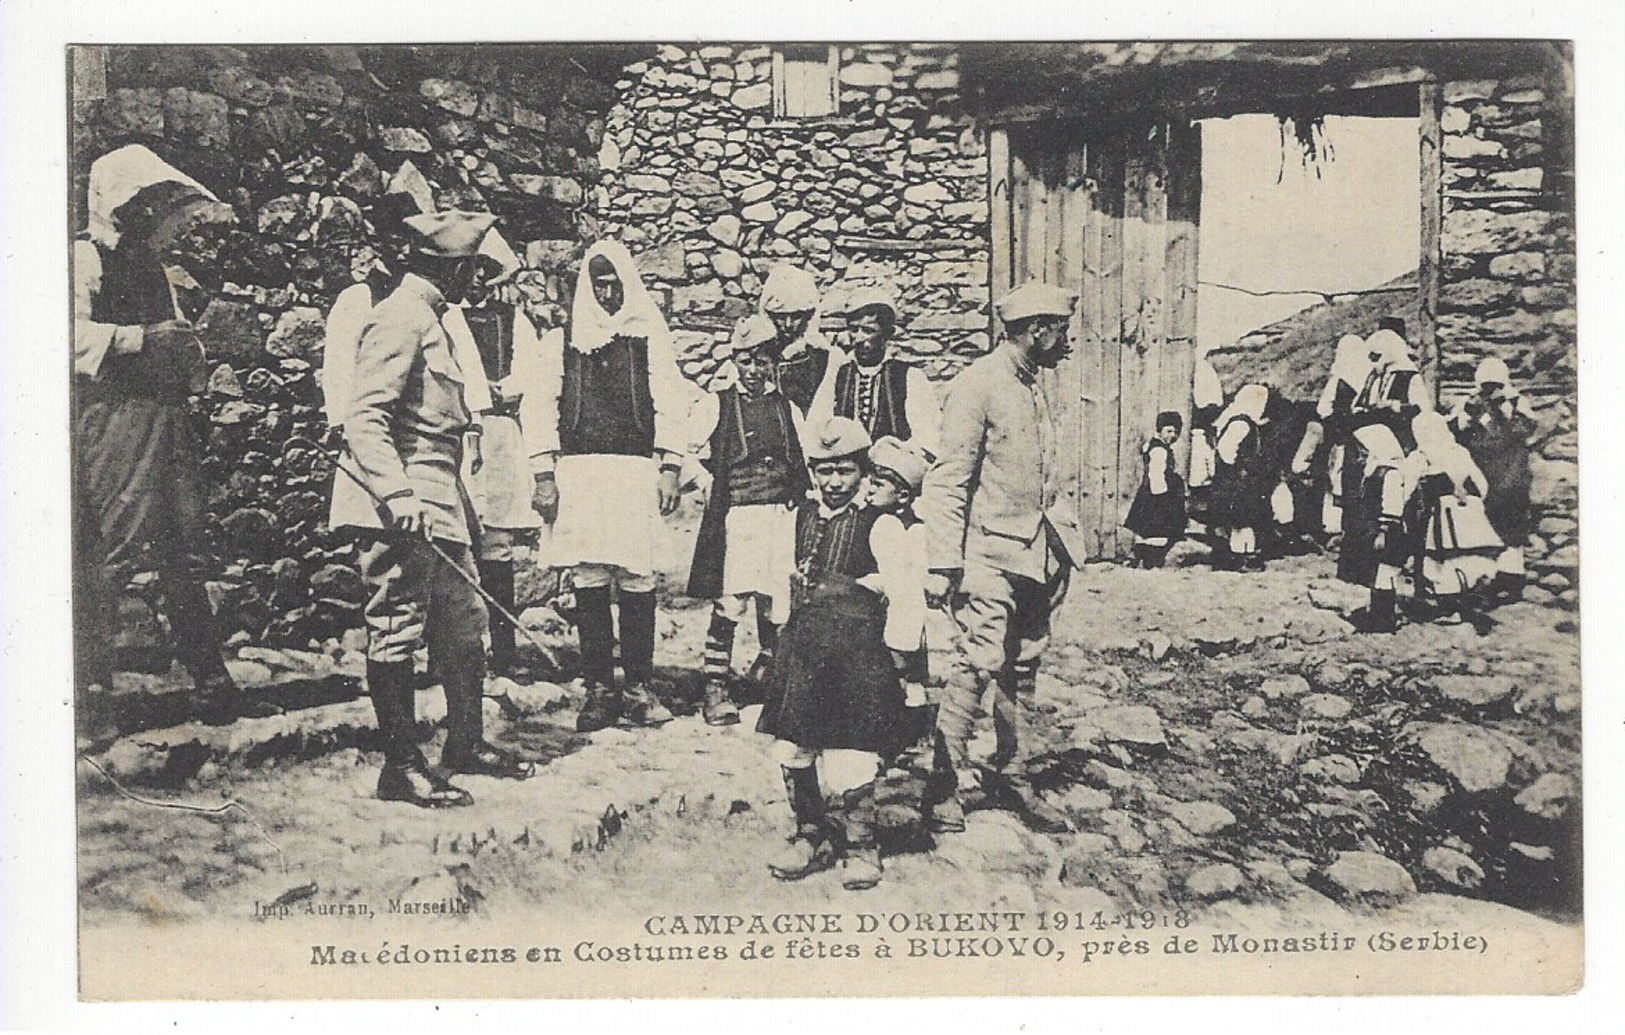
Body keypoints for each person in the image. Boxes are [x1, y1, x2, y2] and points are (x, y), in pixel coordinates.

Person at [73, 144, 278, 738]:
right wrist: (140, 338)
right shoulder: (84, 259)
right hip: (113, 418)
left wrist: (186, 353)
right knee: (112, 554)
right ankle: (90, 699)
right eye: (146, 204)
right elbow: (59, 334)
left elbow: (176, 340)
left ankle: (212, 683)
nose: (156, 217)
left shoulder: (153, 269)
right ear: (120, 205)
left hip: (166, 417)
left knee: (185, 553)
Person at [333, 209, 534, 807]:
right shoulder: (397, 317)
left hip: (441, 493)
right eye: (472, 270)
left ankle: (465, 742)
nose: (476, 283)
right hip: (400, 498)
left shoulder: (432, 319)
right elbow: (364, 417)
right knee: (396, 627)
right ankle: (400, 766)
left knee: (463, 622)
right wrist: (397, 494)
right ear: (451, 268)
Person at [918, 279, 1086, 835]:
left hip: (1038, 554)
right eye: (1060, 330)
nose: (1067, 341)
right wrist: (944, 562)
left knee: (1025, 663)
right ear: (1037, 330)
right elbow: (948, 480)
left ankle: (1013, 775)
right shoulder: (977, 385)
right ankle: (944, 784)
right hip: (987, 554)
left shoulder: (1037, 383)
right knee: (978, 663)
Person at [532, 241, 686, 732]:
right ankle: (599, 688)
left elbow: (670, 400)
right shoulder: (562, 339)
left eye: (615, 282)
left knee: (638, 578)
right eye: (599, 284)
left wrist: (670, 467)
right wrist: (543, 474)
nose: (608, 292)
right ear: (586, 287)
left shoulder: (649, 337)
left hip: (635, 471)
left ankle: (639, 686)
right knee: (591, 579)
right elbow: (538, 405)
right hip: (580, 473)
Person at [756, 418, 913, 891]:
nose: (834, 482)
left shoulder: (879, 525)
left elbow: (906, 594)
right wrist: (779, 636)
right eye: (824, 471)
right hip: (803, 654)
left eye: (844, 471)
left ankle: (861, 842)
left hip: (855, 659)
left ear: (863, 473)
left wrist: (902, 655)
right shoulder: (797, 519)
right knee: (795, 745)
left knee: (851, 752)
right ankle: (810, 831)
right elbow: (778, 580)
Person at [684, 314, 808, 726]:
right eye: (746, 361)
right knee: (731, 603)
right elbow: (682, 451)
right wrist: (706, 483)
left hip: (780, 517)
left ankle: (773, 680)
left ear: (775, 362)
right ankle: (715, 686)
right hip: (737, 519)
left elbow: (806, 461)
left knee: (779, 601)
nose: (754, 371)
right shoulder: (716, 402)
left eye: (763, 361)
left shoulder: (788, 408)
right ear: (734, 361)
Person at [449, 227, 550, 679]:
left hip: (500, 434)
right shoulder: (444, 319)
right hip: (457, 431)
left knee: (498, 543)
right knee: (456, 537)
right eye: (470, 270)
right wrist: (472, 395)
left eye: (484, 273)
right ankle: (456, 651)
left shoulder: (514, 320)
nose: (477, 281)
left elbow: (528, 372)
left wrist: (499, 390)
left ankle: (504, 650)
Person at [811, 285, 941, 460]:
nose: (858, 338)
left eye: (868, 331)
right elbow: (815, 427)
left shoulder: (909, 377)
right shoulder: (837, 375)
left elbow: (928, 438)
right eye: (853, 329)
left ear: (887, 334)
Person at [1449, 356, 1537, 600]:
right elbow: (1454, 429)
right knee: (1483, 522)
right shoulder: (1469, 402)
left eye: (1495, 384)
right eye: (1486, 384)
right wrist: (1467, 417)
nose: (1490, 389)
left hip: (1510, 472)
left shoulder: (1516, 401)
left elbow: (1525, 428)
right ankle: (1485, 578)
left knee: (1511, 523)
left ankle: (1511, 577)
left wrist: (1505, 410)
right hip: (1482, 471)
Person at [1410, 411, 1502, 632]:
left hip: (1442, 515)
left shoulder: (1421, 455)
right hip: (1469, 514)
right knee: (1468, 556)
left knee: (1441, 561)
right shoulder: (1460, 451)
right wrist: (1472, 500)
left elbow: (1409, 483)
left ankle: (1450, 608)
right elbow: (1482, 484)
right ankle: (1469, 600)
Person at [1342, 424, 1423, 634]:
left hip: (1389, 530)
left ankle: (1383, 619)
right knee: (1378, 573)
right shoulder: (1375, 470)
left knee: (1385, 573)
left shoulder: (1391, 474)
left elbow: (1393, 505)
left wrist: (1384, 531)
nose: (1361, 454)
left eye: (1365, 450)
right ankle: (1377, 613)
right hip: (1380, 529)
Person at [1291, 333, 1371, 540]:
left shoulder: (1340, 378)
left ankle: (1333, 527)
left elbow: (1324, 408)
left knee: (1335, 480)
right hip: (1364, 437)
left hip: (1339, 436)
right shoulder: (1370, 376)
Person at [758, 265, 845, 413]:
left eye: (796, 316)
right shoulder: (757, 356)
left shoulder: (827, 358)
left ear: (808, 315)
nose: (788, 325)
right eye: (780, 317)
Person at [1208, 384, 1274, 571]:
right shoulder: (1241, 423)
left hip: (1242, 480)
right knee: (1241, 520)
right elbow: (1226, 450)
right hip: (1237, 481)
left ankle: (1243, 554)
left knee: (1245, 520)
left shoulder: (1246, 422)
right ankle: (1239, 556)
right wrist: (1238, 469)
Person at [1124, 410, 1187, 568]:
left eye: (1176, 432)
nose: (1172, 435)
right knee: (1157, 529)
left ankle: (1139, 557)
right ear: (1160, 430)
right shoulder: (1159, 450)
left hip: (1151, 494)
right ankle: (1151, 559)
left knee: (1149, 530)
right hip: (1157, 495)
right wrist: (1162, 496)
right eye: (1169, 431)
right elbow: (1156, 473)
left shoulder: (1156, 446)